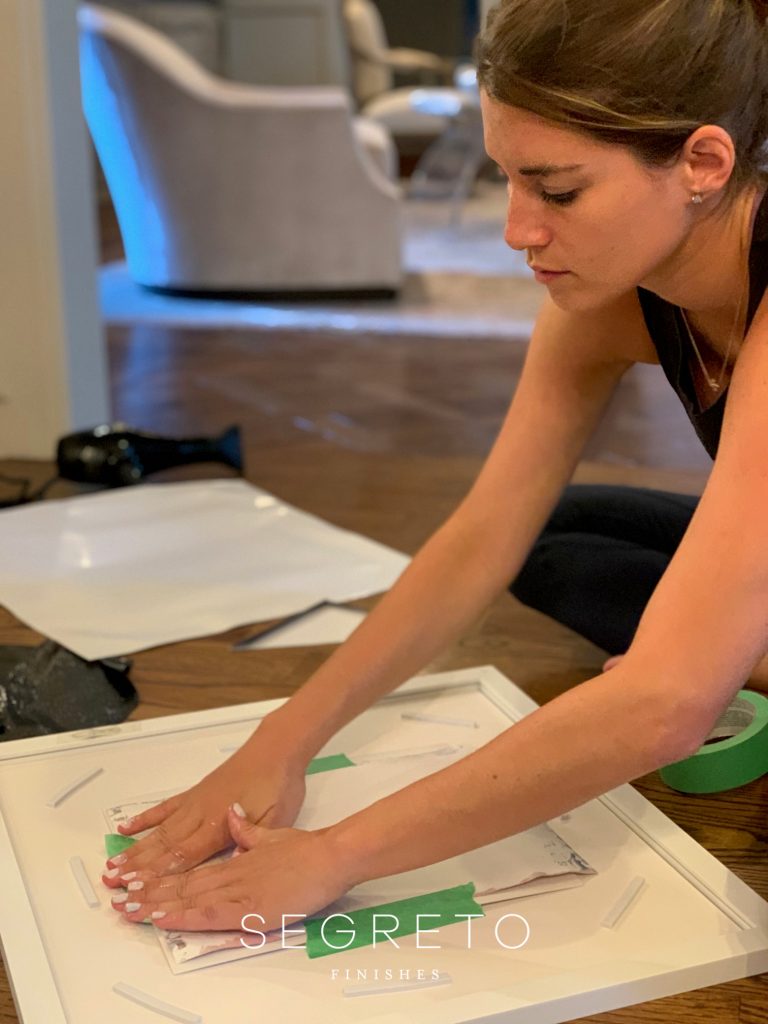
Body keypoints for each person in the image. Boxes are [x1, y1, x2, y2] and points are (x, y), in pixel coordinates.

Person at [103, 0, 768, 932]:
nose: (517, 230)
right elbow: (483, 534)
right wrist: (283, 738)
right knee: (561, 538)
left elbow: (664, 711)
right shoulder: (614, 297)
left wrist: (334, 856)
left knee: (665, 679)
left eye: (558, 192)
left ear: (702, 163)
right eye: (508, 179)